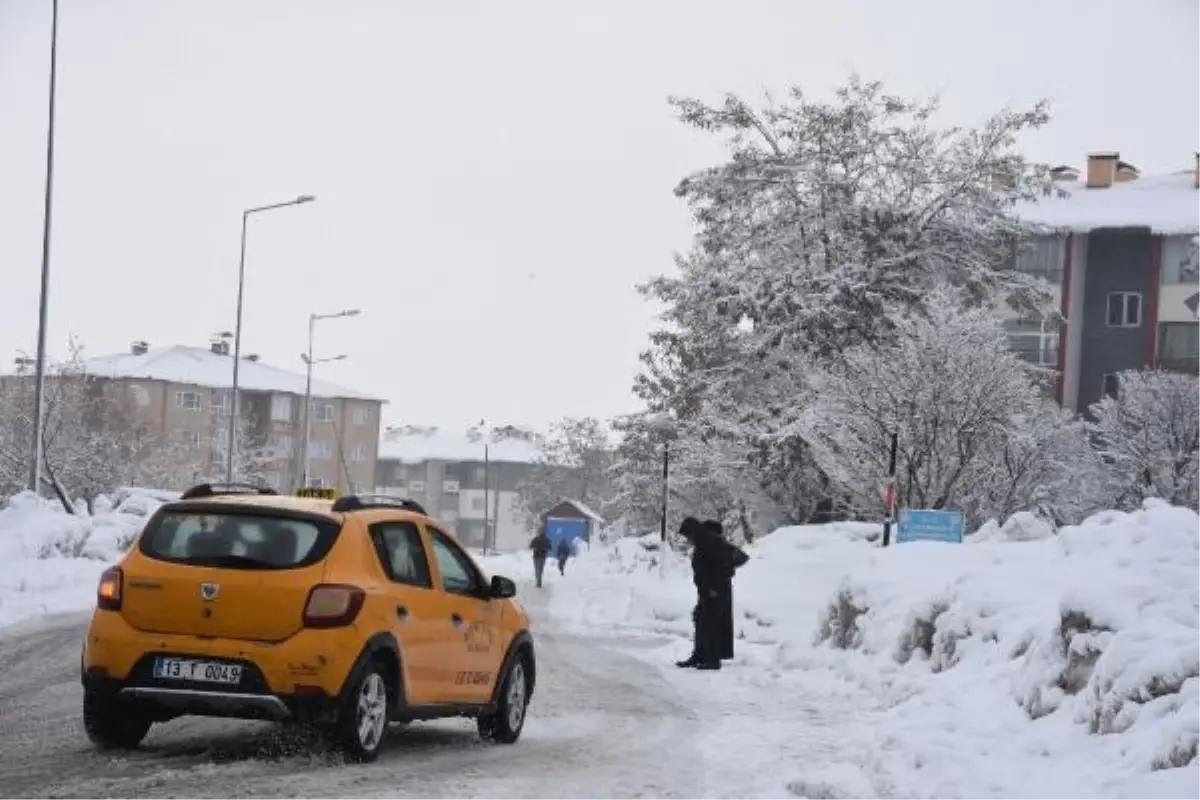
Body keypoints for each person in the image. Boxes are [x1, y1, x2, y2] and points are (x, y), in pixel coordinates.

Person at [675, 517, 726, 671]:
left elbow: (719, 566)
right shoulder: (702, 541)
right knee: (700, 619)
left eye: (687, 535)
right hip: (705, 590)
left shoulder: (710, 541)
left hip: (714, 591)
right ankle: (699, 654)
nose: (687, 539)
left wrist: (714, 588)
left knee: (710, 624)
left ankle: (713, 659)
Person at [702, 519, 749, 661]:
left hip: (716, 585)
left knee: (714, 619)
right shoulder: (723, 546)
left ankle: (714, 652)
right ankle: (724, 651)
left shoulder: (718, 547)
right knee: (724, 619)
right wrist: (729, 567)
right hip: (724, 585)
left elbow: (742, 558)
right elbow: (742, 557)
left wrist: (726, 568)